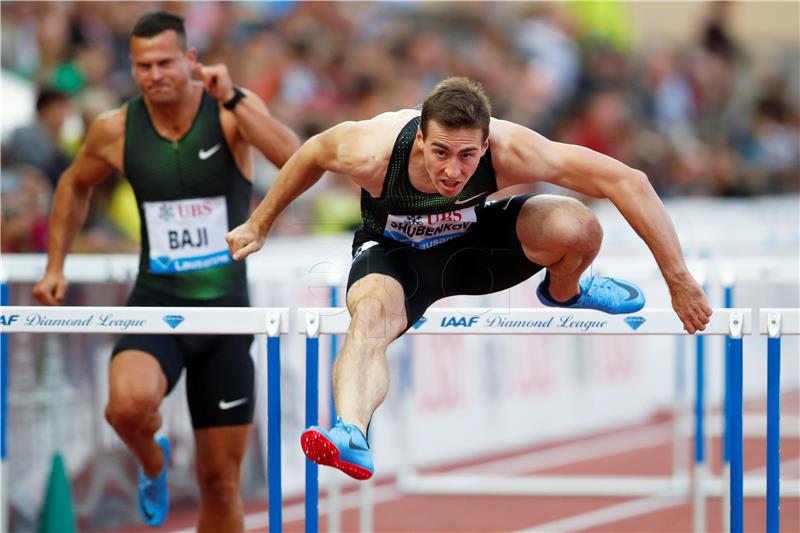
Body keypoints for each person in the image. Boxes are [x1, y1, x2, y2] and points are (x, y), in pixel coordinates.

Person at [226, 77, 712, 480]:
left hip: (475, 247)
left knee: (579, 225)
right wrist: (259, 222)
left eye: (466, 156)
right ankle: (351, 431)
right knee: (369, 317)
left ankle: (565, 291)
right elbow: (310, 153)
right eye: (440, 153)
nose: (452, 171)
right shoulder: (371, 151)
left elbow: (629, 181)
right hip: (397, 257)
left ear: (486, 144)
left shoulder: (513, 149)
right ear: (419, 138)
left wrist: (678, 278)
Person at [32, 11, 300, 532]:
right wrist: (55, 266)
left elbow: (295, 158)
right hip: (157, 303)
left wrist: (235, 99)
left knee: (220, 484)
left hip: (224, 318)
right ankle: (153, 462)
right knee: (126, 408)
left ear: (191, 60)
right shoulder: (115, 128)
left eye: (164, 62)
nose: (154, 74)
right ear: (132, 69)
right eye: (142, 65)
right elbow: (73, 184)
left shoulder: (228, 113)